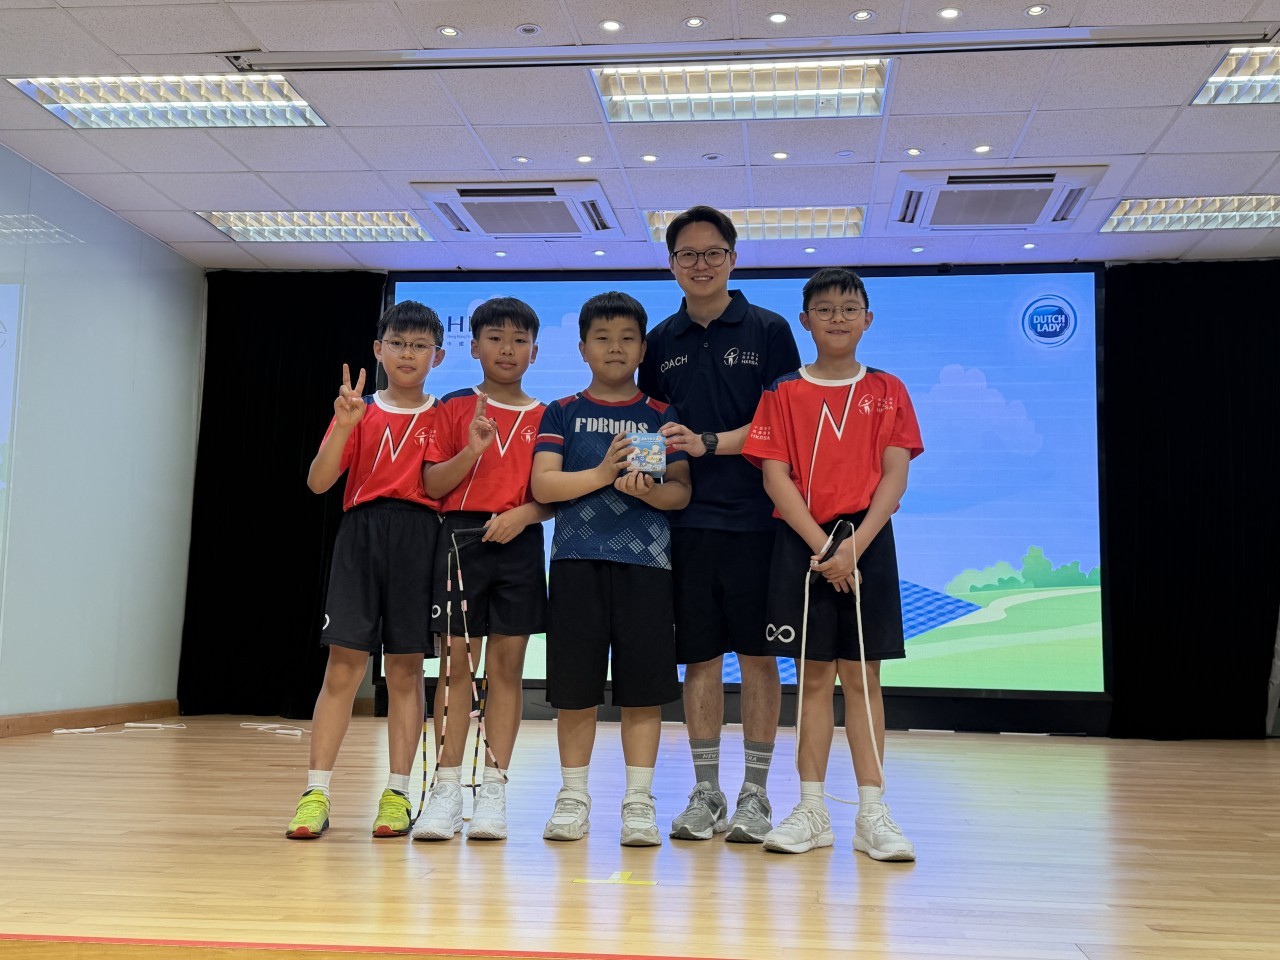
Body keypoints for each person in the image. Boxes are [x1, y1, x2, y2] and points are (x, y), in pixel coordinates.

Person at [742, 267, 923, 860]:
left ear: (867, 319)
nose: (837, 317)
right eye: (824, 309)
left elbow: (895, 476)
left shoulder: (889, 389)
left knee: (864, 678)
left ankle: (873, 813)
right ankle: (812, 809)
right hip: (804, 545)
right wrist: (824, 548)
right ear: (805, 320)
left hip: (868, 542)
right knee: (814, 677)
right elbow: (775, 477)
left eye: (849, 308)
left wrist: (854, 546)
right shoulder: (782, 391)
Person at [637, 205, 801, 843]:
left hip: (760, 521)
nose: (700, 264)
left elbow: (781, 423)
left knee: (759, 658)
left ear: (733, 259)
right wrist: (646, 482)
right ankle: (706, 793)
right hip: (686, 524)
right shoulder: (659, 340)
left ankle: (755, 795)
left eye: (712, 253)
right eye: (688, 255)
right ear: (672, 264)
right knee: (699, 660)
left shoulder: (769, 329)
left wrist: (710, 442)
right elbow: (652, 425)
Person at [531, 291, 691, 847]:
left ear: (644, 349)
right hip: (575, 564)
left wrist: (649, 493)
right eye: (602, 338)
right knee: (575, 690)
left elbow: (680, 493)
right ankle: (573, 797)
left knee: (643, 690)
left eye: (627, 339)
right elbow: (544, 486)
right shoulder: (562, 411)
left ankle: (639, 802)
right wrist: (603, 474)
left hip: (646, 565)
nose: (615, 348)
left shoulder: (661, 415)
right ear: (582, 348)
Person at [285, 300, 446, 840]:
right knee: (343, 667)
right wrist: (343, 425)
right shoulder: (358, 408)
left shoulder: (445, 414)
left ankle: (397, 793)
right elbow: (318, 483)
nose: (407, 354)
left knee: (405, 669)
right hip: (361, 535)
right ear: (378, 350)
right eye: (397, 343)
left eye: (419, 345)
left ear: (438, 356)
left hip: (420, 538)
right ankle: (315, 793)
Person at [413, 297, 551, 842]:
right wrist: (471, 451)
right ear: (474, 347)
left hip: (520, 538)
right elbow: (432, 484)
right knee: (456, 667)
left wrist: (524, 515)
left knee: (507, 668)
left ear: (535, 351)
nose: (507, 349)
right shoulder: (452, 407)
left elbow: (553, 494)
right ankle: (446, 788)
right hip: (460, 540)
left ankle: (494, 787)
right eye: (495, 338)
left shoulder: (548, 415)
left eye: (519, 340)